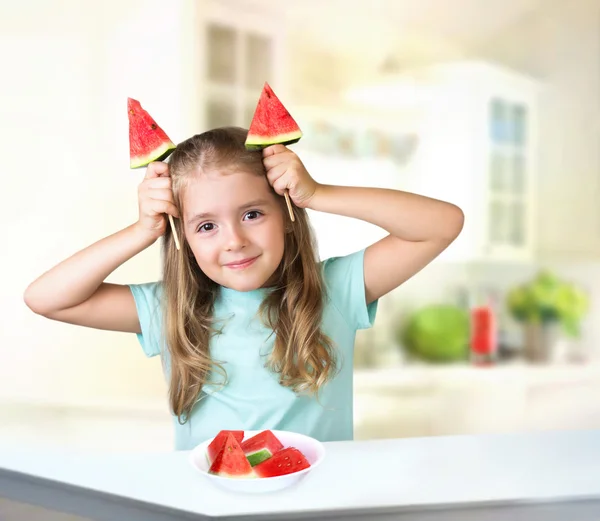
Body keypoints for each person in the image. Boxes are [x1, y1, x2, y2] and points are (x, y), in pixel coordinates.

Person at [24, 126, 464, 450]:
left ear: (289, 216)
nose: (234, 240)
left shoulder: (336, 289)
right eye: (207, 225)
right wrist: (141, 231)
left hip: (320, 508)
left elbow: (442, 225)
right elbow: (45, 298)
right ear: (182, 238)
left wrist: (318, 193)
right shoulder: (170, 309)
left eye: (253, 214)